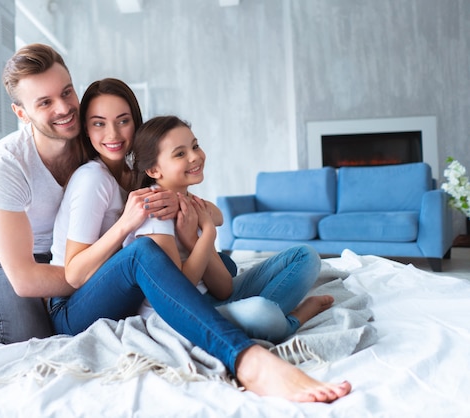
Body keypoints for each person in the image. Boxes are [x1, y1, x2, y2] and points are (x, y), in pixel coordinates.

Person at [49, 78, 351, 402]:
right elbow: (77, 274)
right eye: (99, 124)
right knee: (260, 311)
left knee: (292, 258)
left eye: (123, 121)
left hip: (181, 285)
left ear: (136, 124)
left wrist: (199, 223)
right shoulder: (100, 181)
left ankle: (267, 324)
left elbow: (216, 229)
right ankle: (259, 348)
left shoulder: (140, 179)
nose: (113, 134)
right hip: (86, 303)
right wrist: (140, 225)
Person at [0, 44, 175, 344]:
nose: (64, 109)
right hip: (13, 260)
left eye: (66, 92)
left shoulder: (93, 136)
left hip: (71, 251)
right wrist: (96, 277)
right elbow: (25, 278)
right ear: (21, 113)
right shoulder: (8, 162)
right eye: (45, 103)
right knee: (30, 337)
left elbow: (134, 173)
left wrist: (167, 196)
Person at [127, 115, 334, 343]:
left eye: (195, 146)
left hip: (210, 299)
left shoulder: (186, 201)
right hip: (182, 315)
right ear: (154, 170)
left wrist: (196, 239)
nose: (195, 156)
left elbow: (224, 288)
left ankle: (264, 315)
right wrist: (207, 235)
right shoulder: (157, 213)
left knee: (306, 256)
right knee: (261, 313)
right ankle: (291, 320)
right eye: (180, 153)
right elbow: (178, 295)